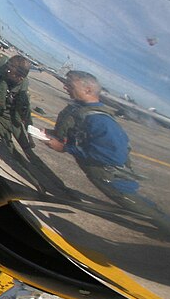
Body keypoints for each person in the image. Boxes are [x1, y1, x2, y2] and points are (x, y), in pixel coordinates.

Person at [46, 71, 144, 207]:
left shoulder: (100, 120)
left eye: (70, 84)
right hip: (96, 174)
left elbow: (114, 157)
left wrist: (65, 148)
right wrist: (51, 134)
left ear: (88, 89)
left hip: (111, 179)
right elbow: (78, 136)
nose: (65, 87)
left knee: (144, 210)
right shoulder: (79, 109)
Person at [0, 53, 34, 152]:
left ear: (20, 78)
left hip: (11, 115)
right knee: (7, 142)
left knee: (26, 146)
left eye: (10, 72)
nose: (7, 72)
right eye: (8, 69)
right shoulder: (1, 65)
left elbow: (26, 112)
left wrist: (30, 136)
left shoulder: (23, 90)